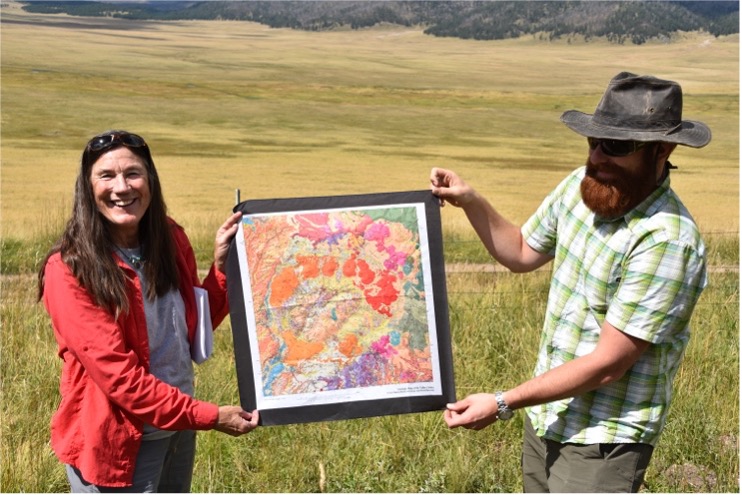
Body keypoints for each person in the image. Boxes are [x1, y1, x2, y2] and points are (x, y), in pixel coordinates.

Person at [430, 72, 710, 492]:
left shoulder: (667, 240)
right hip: (547, 417)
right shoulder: (581, 189)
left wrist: (504, 402)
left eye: (615, 146)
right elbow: (522, 252)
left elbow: (607, 365)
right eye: (593, 141)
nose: (596, 157)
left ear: (662, 150)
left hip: (604, 439)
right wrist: (471, 201)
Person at [37, 130, 259, 492]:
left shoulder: (170, 239)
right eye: (106, 176)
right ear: (88, 189)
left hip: (177, 431)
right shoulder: (69, 268)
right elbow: (119, 377)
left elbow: (190, 331)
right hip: (117, 440)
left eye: (133, 174)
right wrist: (209, 416)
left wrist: (221, 270)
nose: (122, 187)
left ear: (150, 181)